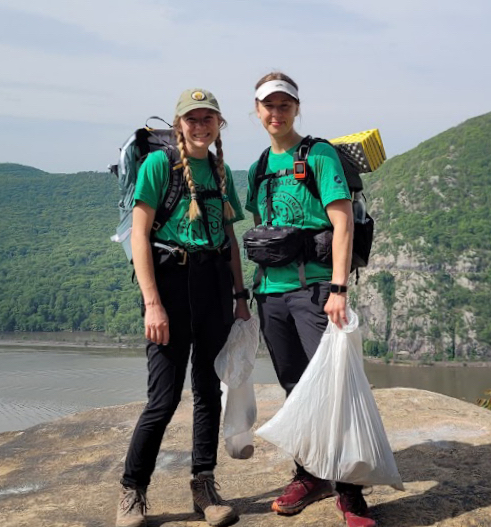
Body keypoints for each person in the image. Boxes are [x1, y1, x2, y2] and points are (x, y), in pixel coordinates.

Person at [245, 72, 377, 527]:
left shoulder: (318, 155)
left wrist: (339, 288)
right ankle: (309, 473)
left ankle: (350, 491)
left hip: (316, 290)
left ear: (296, 108)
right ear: (257, 111)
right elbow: (264, 230)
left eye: (284, 106)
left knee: (333, 391)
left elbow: (342, 223)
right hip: (271, 294)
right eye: (268, 106)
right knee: (295, 391)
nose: (276, 113)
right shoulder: (260, 166)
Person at [116, 88, 250, 527]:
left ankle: (204, 486)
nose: (200, 126)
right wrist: (152, 304)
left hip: (212, 284)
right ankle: (133, 491)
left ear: (219, 125)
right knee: (164, 397)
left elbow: (228, 237)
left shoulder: (220, 168)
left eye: (207, 118)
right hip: (171, 285)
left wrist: (239, 295)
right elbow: (139, 236)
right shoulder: (160, 165)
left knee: (209, 391)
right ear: (178, 125)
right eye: (191, 119)